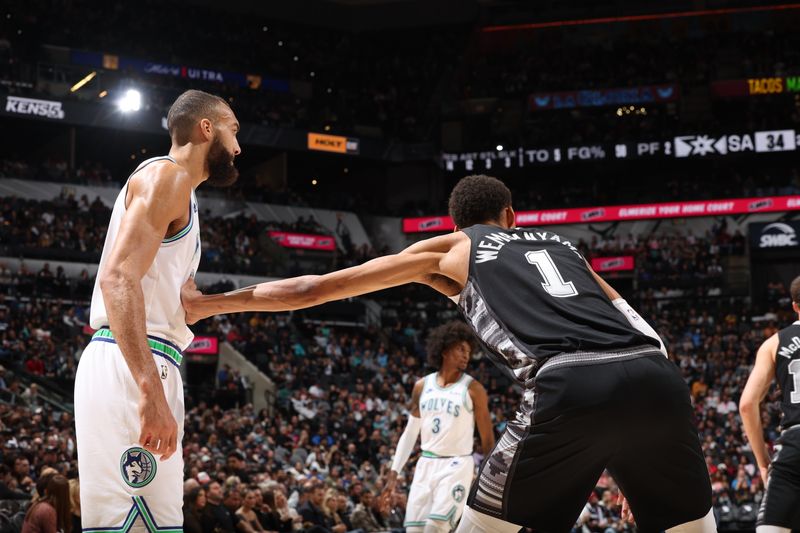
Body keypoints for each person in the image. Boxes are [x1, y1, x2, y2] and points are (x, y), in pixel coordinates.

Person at [181, 174, 714, 532]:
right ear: (512, 214)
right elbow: (639, 327)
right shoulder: (563, 247)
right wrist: (633, 451)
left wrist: (210, 304)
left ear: (455, 222)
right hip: (656, 380)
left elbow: (314, 289)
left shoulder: (453, 248)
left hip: (569, 383)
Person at [75, 89, 240, 529]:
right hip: (133, 365)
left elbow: (177, 301)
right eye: (233, 130)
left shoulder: (184, 195)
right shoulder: (167, 178)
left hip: (149, 360)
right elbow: (118, 278)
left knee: (158, 524)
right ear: (207, 128)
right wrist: (150, 390)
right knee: (128, 524)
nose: (238, 147)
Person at [382, 320, 494, 532]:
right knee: (414, 530)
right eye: (461, 349)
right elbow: (410, 433)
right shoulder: (422, 386)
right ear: (444, 349)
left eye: (469, 351)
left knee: (435, 528)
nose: (466, 355)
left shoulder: (474, 389)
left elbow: (488, 440)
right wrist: (393, 475)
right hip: (426, 464)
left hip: (457, 465)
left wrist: (488, 482)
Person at [740, 275, 800, 532]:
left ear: (795, 306)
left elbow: (747, 404)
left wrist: (764, 462)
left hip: (794, 445)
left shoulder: (774, 344)